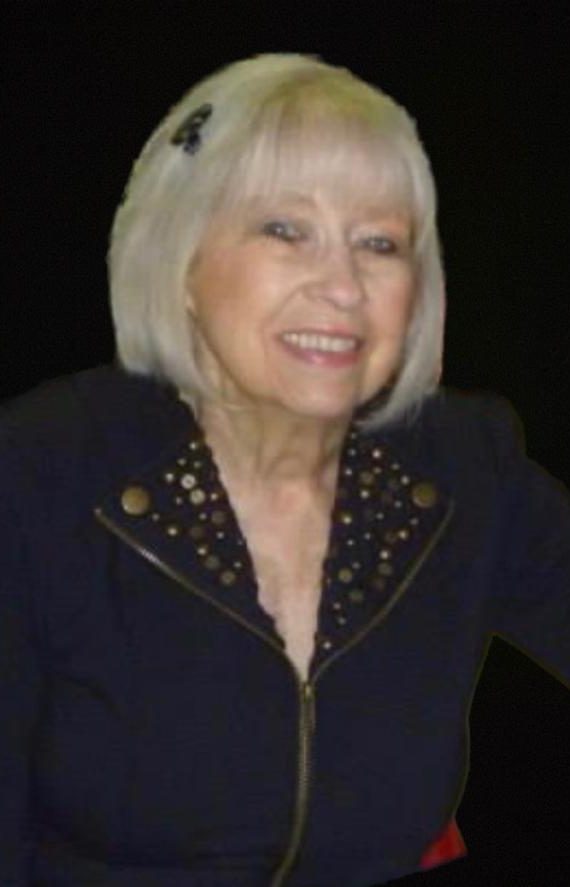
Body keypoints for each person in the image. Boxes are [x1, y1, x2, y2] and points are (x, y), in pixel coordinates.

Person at [1, 53, 568, 887]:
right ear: (182, 261)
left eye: (380, 243)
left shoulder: (464, 466)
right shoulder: (39, 471)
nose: (342, 286)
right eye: (285, 230)